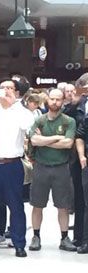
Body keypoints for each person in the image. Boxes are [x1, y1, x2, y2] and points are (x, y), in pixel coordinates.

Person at [0, 78, 35, 256]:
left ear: (17, 92)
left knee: (16, 204)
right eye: (2, 88)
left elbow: (27, 125)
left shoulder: (22, 111)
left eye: (9, 88)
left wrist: (12, 105)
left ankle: (19, 243)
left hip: (12, 164)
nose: (5, 91)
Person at [28, 88, 77, 252]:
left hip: (61, 168)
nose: (55, 102)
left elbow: (68, 143)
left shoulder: (68, 121)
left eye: (58, 99)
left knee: (63, 206)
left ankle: (64, 238)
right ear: (47, 100)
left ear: (63, 101)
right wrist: (56, 138)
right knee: (37, 205)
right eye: (52, 99)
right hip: (41, 167)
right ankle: (36, 236)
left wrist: (44, 141)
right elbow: (33, 140)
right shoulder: (40, 120)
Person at [64, 74, 87, 250]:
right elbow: (65, 120)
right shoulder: (77, 105)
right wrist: (75, 101)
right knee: (78, 197)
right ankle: (79, 236)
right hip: (78, 157)